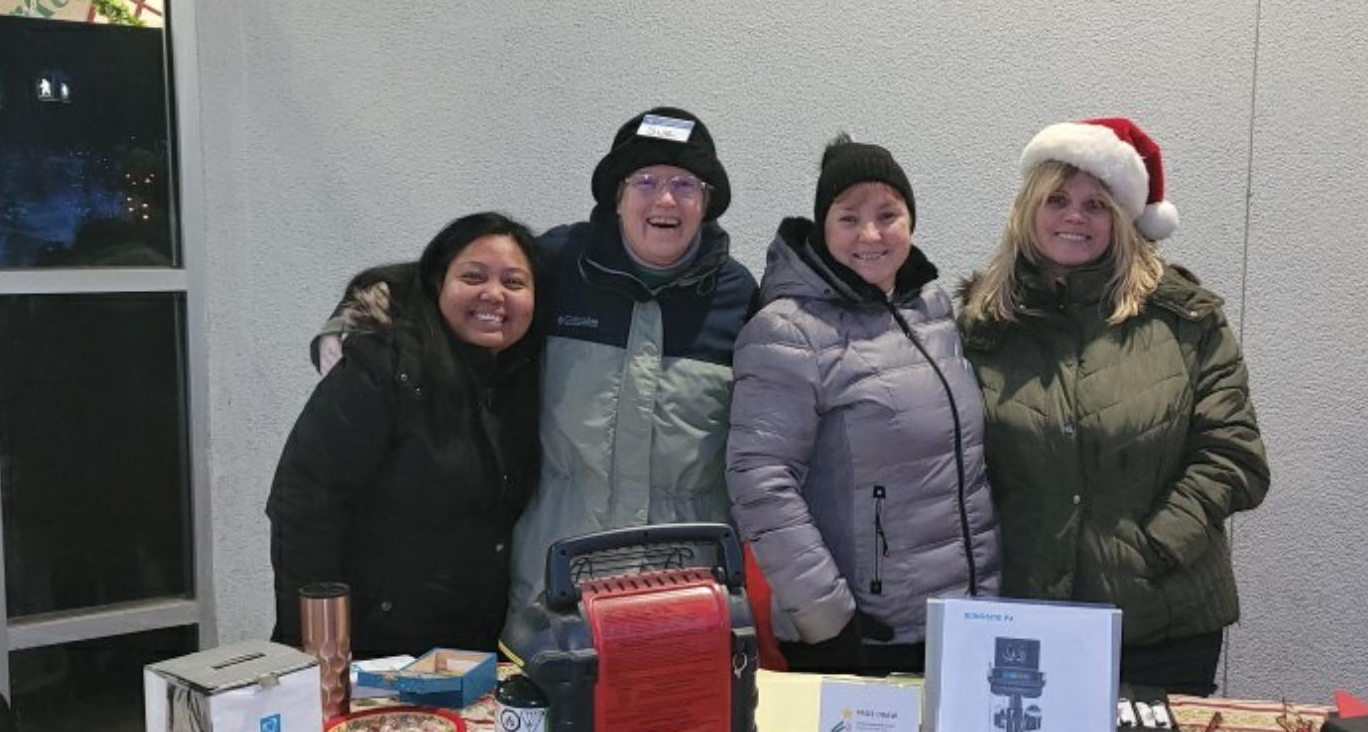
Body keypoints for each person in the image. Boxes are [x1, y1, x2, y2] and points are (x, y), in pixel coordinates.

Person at [958, 117, 1270, 695]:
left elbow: (1235, 457)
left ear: (1123, 219)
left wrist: (1152, 550)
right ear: (1028, 209)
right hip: (1026, 621)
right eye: (1057, 199)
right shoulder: (983, 326)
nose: (1075, 216)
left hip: (1162, 625)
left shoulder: (1185, 320)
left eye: (1095, 204)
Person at [726, 136, 1002, 676]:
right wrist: (827, 620)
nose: (871, 235)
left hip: (958, 623)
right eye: (849, 218)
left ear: (911, 221)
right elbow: (759, 481)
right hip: (863, 634)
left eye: (888, 215)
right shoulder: (787, 330)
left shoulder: (932, 310)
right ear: (822, 228)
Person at [505, 106, 759, 616]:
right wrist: (356, 316)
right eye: (645, 180)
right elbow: (451, 285)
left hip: (687, 592)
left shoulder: (737, 297)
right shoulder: (558, 264)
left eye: (685, 184)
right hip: (555, 590)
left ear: (706, 203)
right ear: (617, 196)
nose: (665, 199)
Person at [268, 211, 542, 658]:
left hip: (472, 647)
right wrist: (317, 648)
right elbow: (304, 501)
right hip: (372, 647)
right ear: (437, 283)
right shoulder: (384, 366)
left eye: (514, 283)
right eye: (473, 276)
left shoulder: (523, 376)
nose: (493, 295)